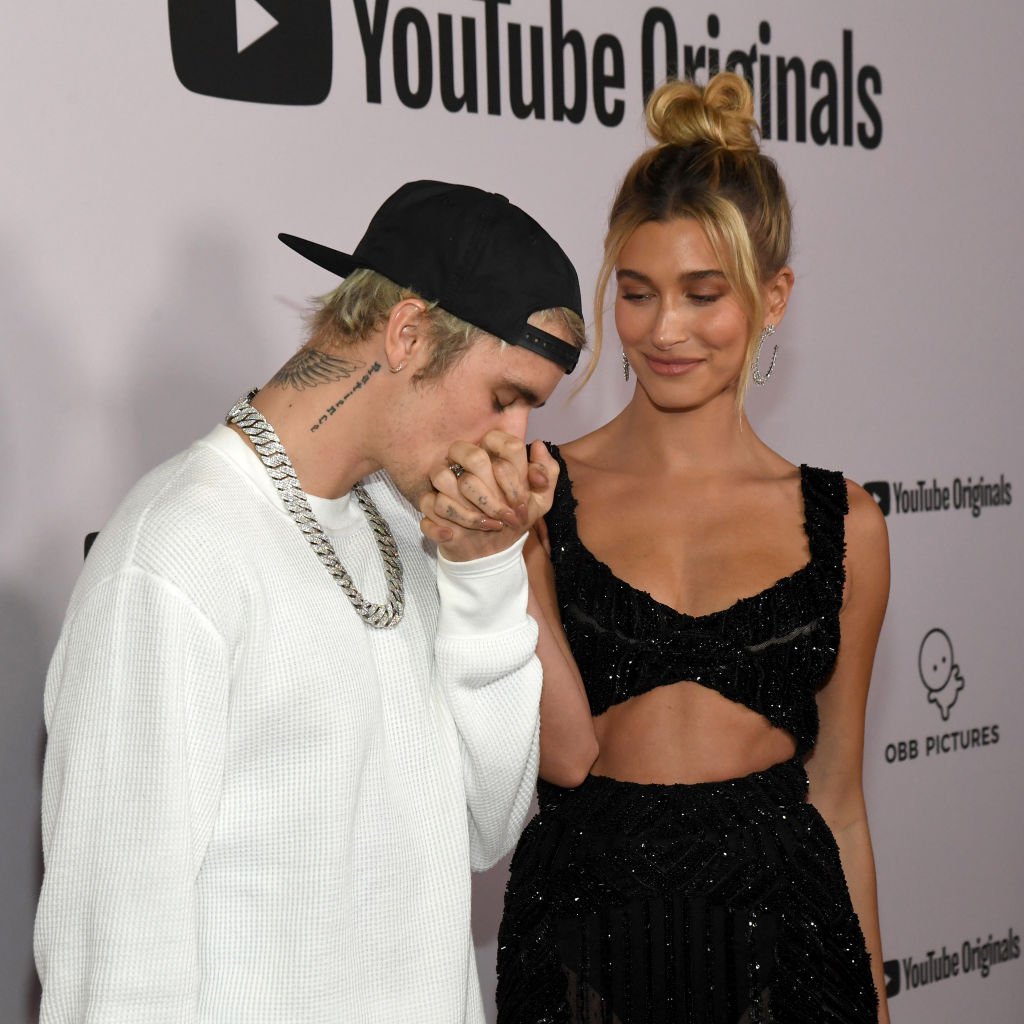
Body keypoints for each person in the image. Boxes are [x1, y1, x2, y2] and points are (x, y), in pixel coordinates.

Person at [34, 179, 585, 1024]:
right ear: (407, 333)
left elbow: (485, 827)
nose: (513, 440)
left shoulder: (413, 528)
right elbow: (114, 963)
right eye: (505, 396)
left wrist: (483, 572)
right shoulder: (173, 558)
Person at [491, 74, 892, 1023]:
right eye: (637, 293)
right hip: (579, 946)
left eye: (702, 294)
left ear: (773, 296)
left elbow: (838, 801)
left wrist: (873, 996)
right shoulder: (535, 494)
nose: (665, 329)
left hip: (790, 950)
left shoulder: (848, 524)